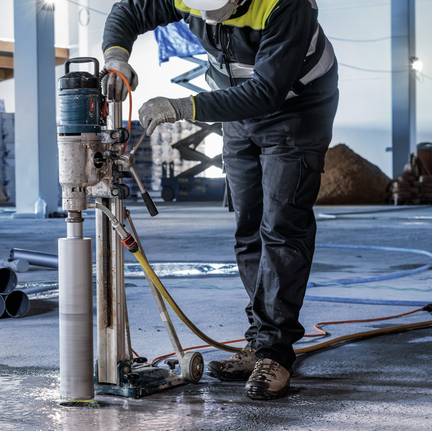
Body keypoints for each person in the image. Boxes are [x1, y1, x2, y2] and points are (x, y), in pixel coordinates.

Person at [101, 0, 338, 400]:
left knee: (281, 224)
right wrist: (116, 59)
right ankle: (259, 339)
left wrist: (183, 107)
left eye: (218, 10)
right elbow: (127, 10)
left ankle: (275, 353)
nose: (208, 18)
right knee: (249, 224)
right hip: (236, 109)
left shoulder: (286, 5)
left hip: (297, 107)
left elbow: (265, 90)